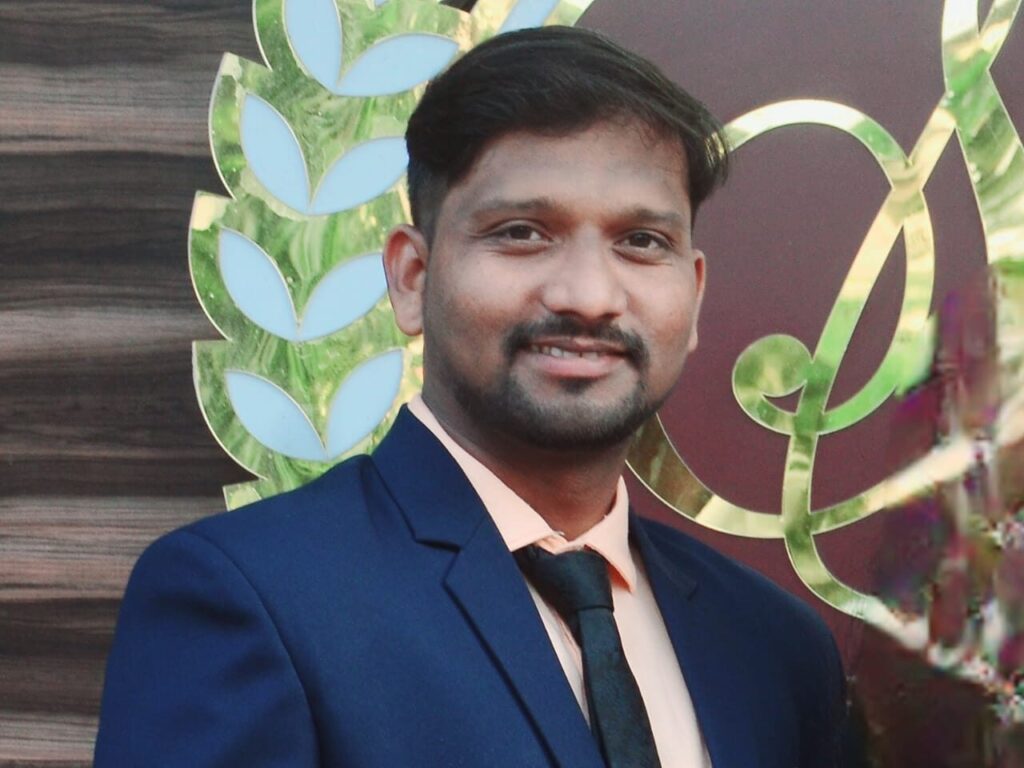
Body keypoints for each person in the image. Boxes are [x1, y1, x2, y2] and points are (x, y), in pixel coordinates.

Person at [95, 26, 846, 768]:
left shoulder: (773, 648)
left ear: (695, 293)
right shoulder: (253, 598)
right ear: (412, 277)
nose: (589, 295)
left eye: (642, 242)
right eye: (523, 232)